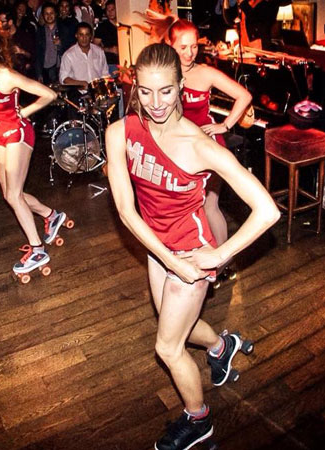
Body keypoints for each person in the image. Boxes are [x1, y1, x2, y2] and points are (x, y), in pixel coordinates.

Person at [105, 43, 279, 450]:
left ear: (181, 85)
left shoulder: (200, 145)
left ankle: (198, 420)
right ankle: (223, 346)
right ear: (135, 88)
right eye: (145, 92)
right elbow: (127, 214)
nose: (156, 102)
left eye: (166, 90)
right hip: (157, 247)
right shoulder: (120, 132)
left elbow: (266, 210)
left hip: (190, 252)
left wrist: (216, 256)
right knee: (174, 324)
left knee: (167, 346)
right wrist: (165, 259)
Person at [0, 27, 68, 274]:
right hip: (0, 134)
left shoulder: (7, 75)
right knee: (10, 193)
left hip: (18, 132)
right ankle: (51, 216)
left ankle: (38, 249)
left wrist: (25, 113)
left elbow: (49, 94)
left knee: (13, 194)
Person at [167, 19, 252, 286]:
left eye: (194, 46)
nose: (190, 52)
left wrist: (224, 125)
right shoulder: (165, 72)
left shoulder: (205, 73)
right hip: (178, 149)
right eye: (183, 47)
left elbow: (244, 96)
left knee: (210, 206)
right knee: (181, 208)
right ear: (171, 45)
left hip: (206, 147)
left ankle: (223, 265)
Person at [35, 2, 62, 84]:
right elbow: (37, 54)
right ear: (43, 15)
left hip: (60, 68)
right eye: (46, 13)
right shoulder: (39, 31)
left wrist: (61, 44)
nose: (49, 16)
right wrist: (39, 74)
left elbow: (70, 47)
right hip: (45, 69)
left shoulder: (63, 29)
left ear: (56, 14)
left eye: (51, 13)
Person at [93, 0, 118, 76]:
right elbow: (94, 46)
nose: (110, 12)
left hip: (124, 62)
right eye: (108, 10)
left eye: (112, 10)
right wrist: (109, 49)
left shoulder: (123, 24)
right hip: (110, 64)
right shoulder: (102, 27)